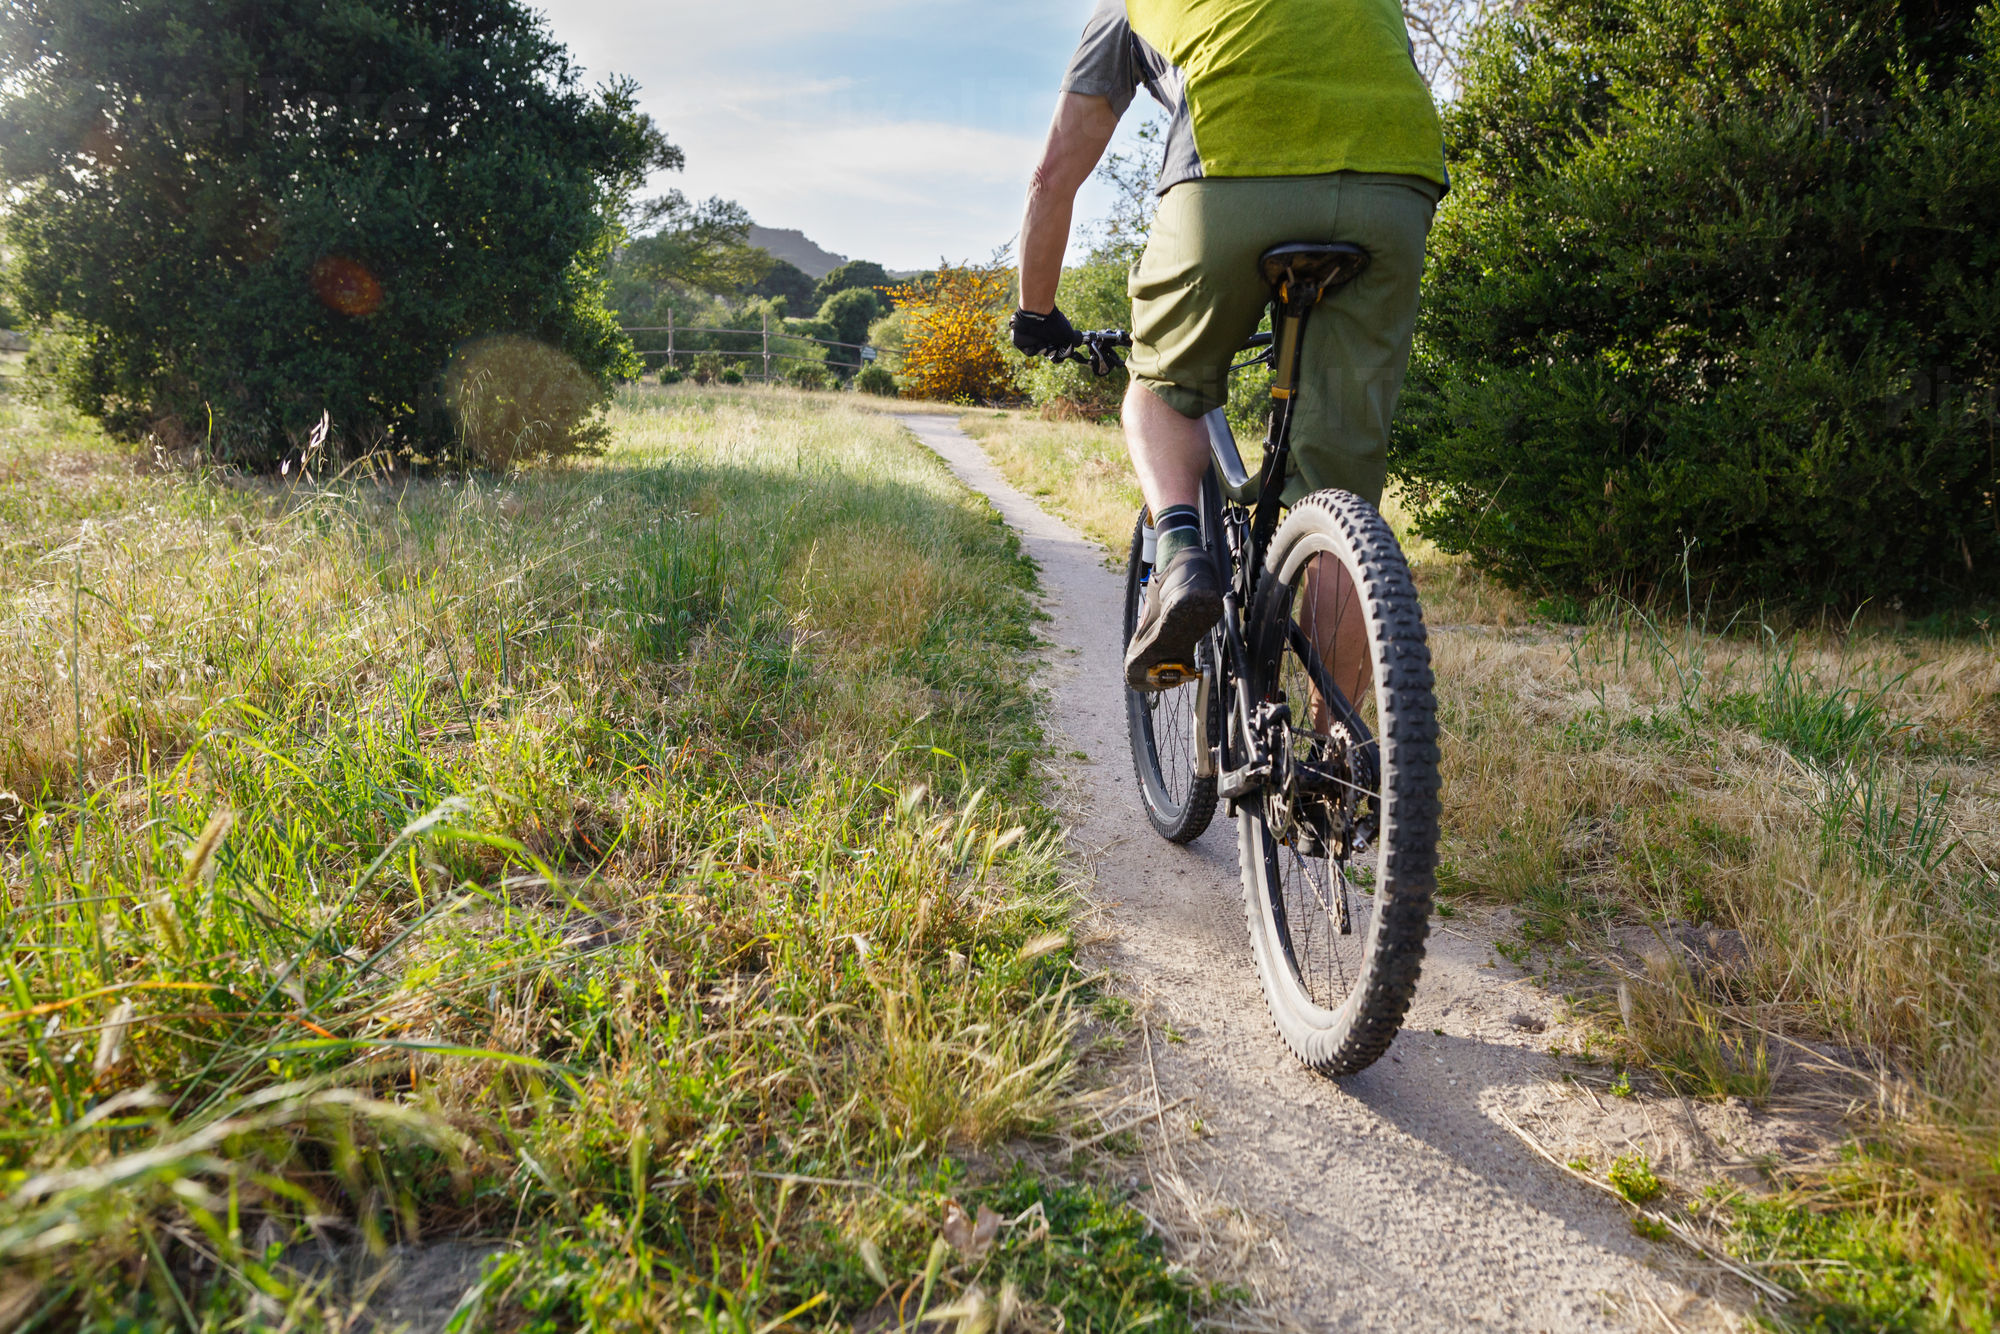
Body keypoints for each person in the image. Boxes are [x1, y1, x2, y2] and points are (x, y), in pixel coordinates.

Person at [1011, 0, 1448, 696]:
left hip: (1232, 170)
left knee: (1158, 393)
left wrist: (1036, 314)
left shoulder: (1125, 9)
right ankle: (1342, 778)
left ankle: (1182, 556)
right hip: (1396, 181)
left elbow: (1053, 174)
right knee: (1340, 495)